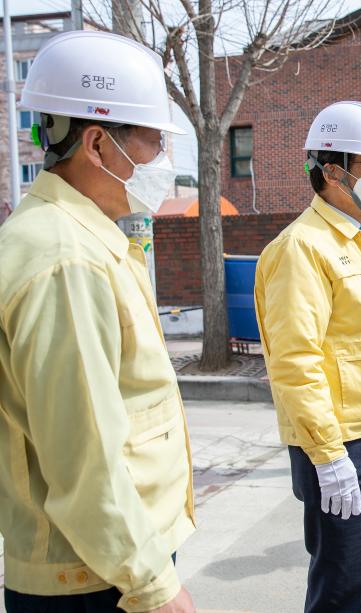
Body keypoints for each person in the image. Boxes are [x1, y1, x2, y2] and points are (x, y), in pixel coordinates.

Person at [0, 31, 195, 612]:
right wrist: (155, 586)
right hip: (93, 576)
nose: (163, 162)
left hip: (105, 560)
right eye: (154, 142)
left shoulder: (75, 238)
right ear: (97, 144)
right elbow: (85, 460)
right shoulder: (67, 261)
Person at [254, 100, 361, 613]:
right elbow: (294, 362)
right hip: (342, 445)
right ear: (331, 172)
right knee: (342, 590)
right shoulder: (301, 248)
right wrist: (326, 454)